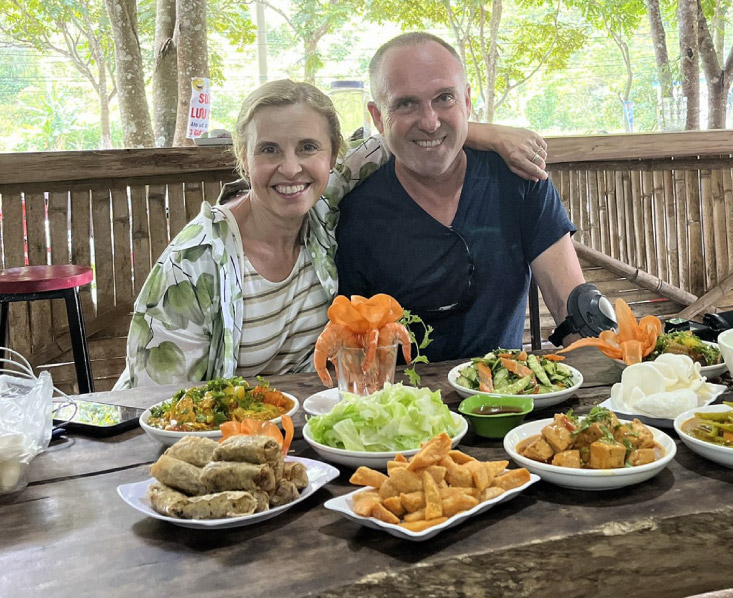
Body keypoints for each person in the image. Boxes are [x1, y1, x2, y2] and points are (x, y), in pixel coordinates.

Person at [116, 79, 549, 389]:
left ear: (331, 157)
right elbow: (152, 404)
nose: (290, 168)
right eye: (269, 150)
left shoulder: (324, 209)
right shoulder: (193, 262)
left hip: (313, 438)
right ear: (243, 159)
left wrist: (488, 133)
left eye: (308, 147)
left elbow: (403, 136)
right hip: (219, 449)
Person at [335, 33, 614, 363]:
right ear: (378, 117)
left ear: (467, 101)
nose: (429, 121)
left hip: (510, 397)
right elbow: (355, 350)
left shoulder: (519, 181)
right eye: (405, 104)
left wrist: (615, 382)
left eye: (444, 98)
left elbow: (576, 309)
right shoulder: (357, 215)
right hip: (409, 406)